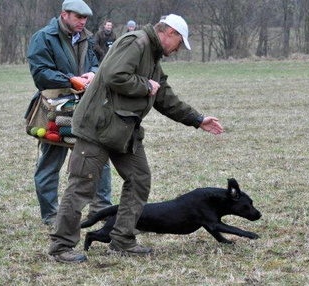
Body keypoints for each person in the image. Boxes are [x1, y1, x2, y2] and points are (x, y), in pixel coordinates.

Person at [48, 14, 224, 263]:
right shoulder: (136, 42)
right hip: (98, 128)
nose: (178, 50)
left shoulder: (152, 55)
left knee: (139, 178)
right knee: (81, 187)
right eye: (179, 43)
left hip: (123, 130)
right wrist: (145, 86)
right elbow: (113, 75)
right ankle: (61, 247)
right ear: (169, 33)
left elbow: (164, 97)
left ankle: (122, 239)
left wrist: (197, 119)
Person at [27, 0, 112, 226]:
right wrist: (71, 80)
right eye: (78, 17)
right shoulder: (43, 37)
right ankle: (51, 215)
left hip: (85, 107)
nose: (82, 22)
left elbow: (96, 63)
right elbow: (40, 73)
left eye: (85, 19)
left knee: (98, 158)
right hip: (56, 109)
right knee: (51, 162)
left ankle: (101, 210)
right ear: (64, 15)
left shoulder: (87, 37)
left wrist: (93, 74)